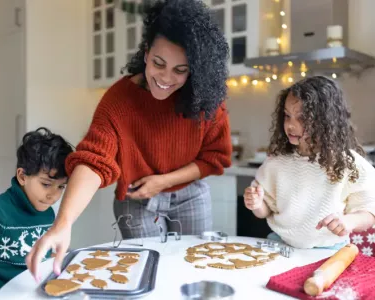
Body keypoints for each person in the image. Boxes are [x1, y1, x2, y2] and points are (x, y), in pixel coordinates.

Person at [26, 0, 232, 279]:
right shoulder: (118, 101)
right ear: (146, 53)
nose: (165, 78)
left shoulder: (207, 102)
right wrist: (63, 223)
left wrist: (163, 182)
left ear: (193, 70)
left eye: (180, 70)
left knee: (194, 270)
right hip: (136, 200)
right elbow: (93, 162)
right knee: (146, 271)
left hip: (190, 195)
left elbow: (215, 158)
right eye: (159, 63)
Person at [244, 76, 375, 249]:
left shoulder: (348, 163)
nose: (290, 125)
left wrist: (349, 221)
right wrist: (256, 203)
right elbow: (265, 211)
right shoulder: (276, 163)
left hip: (331, 249)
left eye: (302, 118)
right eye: (287, 116)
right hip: (282, 244)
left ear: (326, 121)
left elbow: (369, 212)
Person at [0, 127, 73, 299]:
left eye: (61, 187)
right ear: (22, 176)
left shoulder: (49, 214)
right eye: (46, 184)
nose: (53, 195)